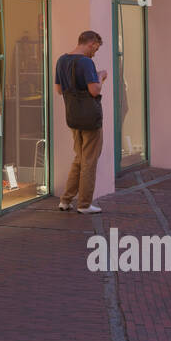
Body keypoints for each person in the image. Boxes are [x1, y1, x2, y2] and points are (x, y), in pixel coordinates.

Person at [55, 30, 107, 214]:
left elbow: (59, 89)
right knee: (89, 161)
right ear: (91, 43)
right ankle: (84, 204)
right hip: (90, 118)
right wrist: (100, 76)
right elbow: (94, 91)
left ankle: (66, 200)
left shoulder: (61, 60)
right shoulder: (86, 62)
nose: (95, 52)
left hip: (73, 116)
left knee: (79, 158)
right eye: (96, 48)